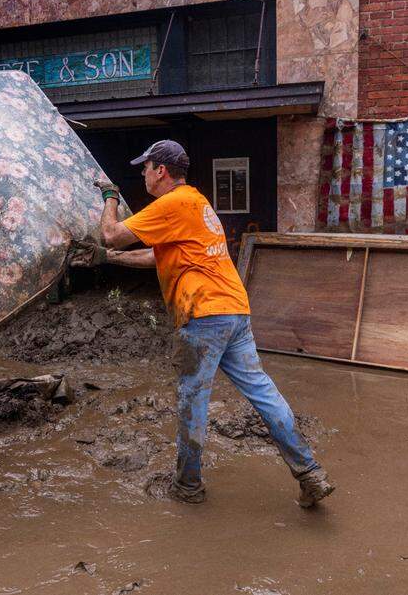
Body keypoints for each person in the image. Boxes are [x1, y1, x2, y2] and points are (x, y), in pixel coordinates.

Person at [75, 139, 333, 508]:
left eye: (145, 168)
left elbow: (112, 232)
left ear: (160, 170)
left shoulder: (172, 203)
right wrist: (108, 258)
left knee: (191, 402)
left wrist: (110, 198)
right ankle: (310, 473)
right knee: (263, 393)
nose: (143, 175)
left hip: (202, 315)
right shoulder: (195, 202)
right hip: (234, 310)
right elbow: (157, 257)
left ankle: (188, 485)